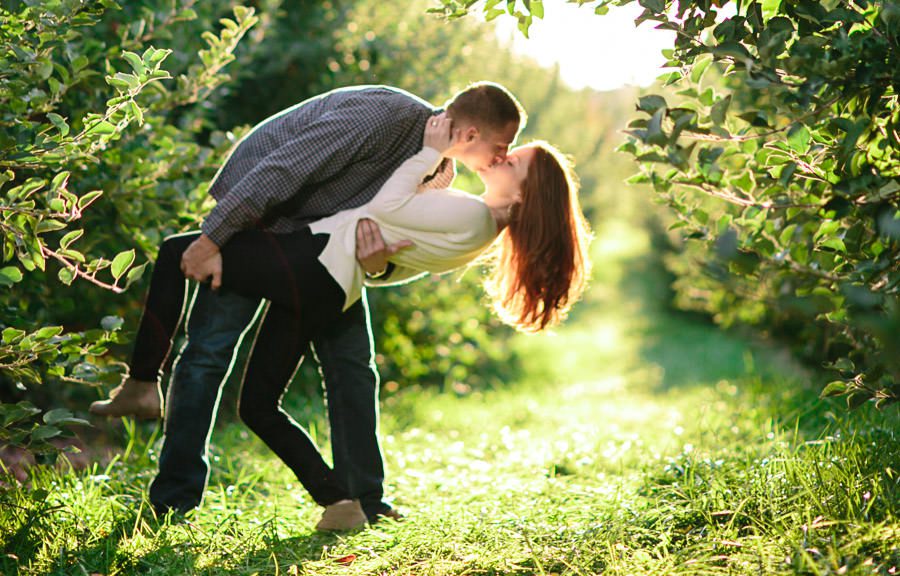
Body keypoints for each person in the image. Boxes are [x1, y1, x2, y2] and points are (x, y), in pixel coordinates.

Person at [113, 116, 591, 530]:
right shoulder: (476, 222)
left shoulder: (469, 213)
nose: (501, 158)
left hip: (314, 263)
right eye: (505, 150)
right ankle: (340, 501)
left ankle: (140, 383)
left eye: (513, 161)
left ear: (527, 192)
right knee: (259, 405)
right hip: (327, 278)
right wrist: (380, 256)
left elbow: (387, 215)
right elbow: (403, 241)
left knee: (182, 252)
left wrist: (427, 153)